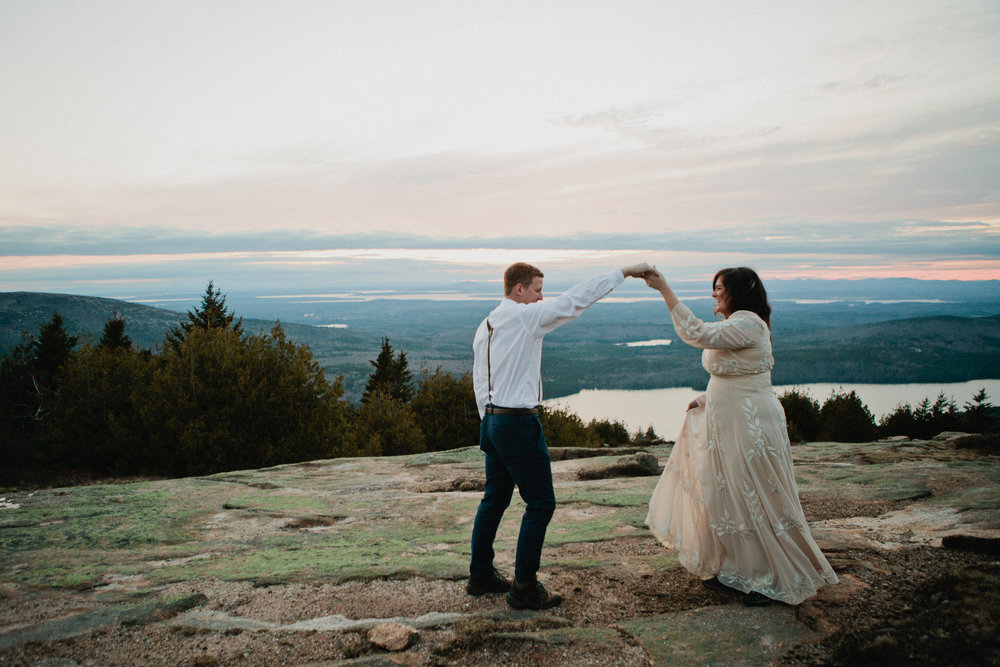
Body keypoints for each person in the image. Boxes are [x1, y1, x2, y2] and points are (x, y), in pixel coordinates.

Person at [642, 267, 838, 606]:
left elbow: (697, 333)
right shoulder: (740, 325)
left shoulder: (747, 324)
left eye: (719, 288)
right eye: (714, 287)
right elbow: (740, 373)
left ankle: (776, 577)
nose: (714, 293)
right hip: (729, 420)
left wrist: (664, 289)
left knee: (756, 495)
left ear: (738, 293)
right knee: (729, 495)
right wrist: (707, 399)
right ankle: (738, 570)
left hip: (749, 424)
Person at [467, 260, 653, 609]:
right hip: (517, 422)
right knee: (540, 503)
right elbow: (575, 300)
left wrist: (488, 422)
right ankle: (523, 588)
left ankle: (480, 575)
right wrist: (622, 272)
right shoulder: (525, 316)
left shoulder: (487, 323)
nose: (542, 298)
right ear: (519, 290)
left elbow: (480, 379)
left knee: (494, 498)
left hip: (492, 419)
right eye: (537, 290)